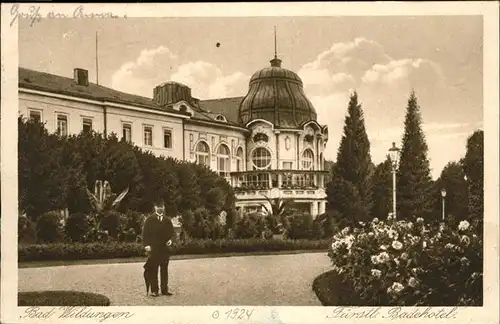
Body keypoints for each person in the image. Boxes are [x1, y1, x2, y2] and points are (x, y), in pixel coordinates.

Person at [142, 200, 175, 297]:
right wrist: (146, 245)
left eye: (162, 206)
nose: (160, 208)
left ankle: (164, 290)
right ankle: (154, 290)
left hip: (164, 250)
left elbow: (172, 233)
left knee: (164, 270)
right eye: (158, 206)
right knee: (153, 270)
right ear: (155, 207)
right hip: (154, 249)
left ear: (164, 207)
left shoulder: (167, 220)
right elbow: (145, 234)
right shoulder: (149, 220)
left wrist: (171, 240)